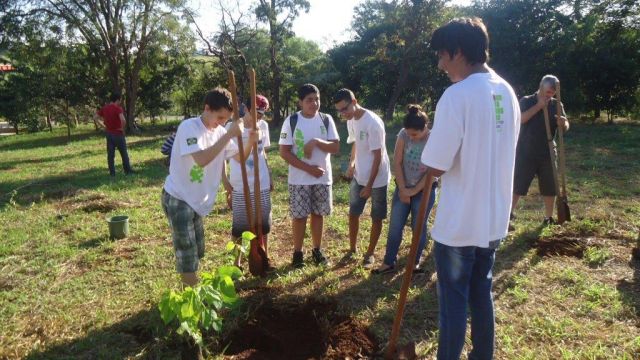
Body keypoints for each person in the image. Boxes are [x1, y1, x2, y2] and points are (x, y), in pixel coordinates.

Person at [421, 18, 520, 359]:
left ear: (458, 52)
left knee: (452, 306)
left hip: (459, 224)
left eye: (442, 56)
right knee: (482, 295)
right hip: (493, 221)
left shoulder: (456, 95)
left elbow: (435, 164)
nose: (440, 64)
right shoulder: (507, 91)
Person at [161, 87, 257, 287]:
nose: (222, 123)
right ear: (207, 108)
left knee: (198, 250)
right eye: (220, 117)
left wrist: (250, 143)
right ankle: (192, 297)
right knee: (187, 251)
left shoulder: (221, 131)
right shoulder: (189, 127)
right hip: (179, 198)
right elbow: (202, 159)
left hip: (197, 200)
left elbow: (239, 157)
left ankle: (193, 287)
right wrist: (229, 133)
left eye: (226, 119)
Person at [279, 84, 340, 268]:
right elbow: (284, 152)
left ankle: (316, 250)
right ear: (300, 102)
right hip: (299, 179)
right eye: (309, 100)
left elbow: (336, 147)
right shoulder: (291, 121)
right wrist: (308, 169)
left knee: (318, 214)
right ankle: (297, 253)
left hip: (322, 178)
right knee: (299, 217)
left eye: (317, 99)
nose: (314, 103)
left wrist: (316, 142)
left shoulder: (326, 119)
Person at [372, 105, 437, 275]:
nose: (411, 137)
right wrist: (402, 188)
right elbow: (398, 162)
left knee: (419, 226)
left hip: (424, 190)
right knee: (395, 225)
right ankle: (388, 262)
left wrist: (413, 190)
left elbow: (433, 171)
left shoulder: (434, 138)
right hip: (403, 187)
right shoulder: (403, 134)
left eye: (414, 135)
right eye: (409, 134)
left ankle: (414, 263)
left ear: (425, 128)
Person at [333, 88, 390, 266]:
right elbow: (356, 143)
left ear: (355, 101)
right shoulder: (351, 120)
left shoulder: (373, 123)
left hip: (377, 178)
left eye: (345, 109)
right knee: (353, 213)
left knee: (376, 216)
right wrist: (352, 164)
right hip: (360, 175)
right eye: (339, 111)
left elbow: (378, 157)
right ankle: (352, 248)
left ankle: (370, 253)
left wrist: (369, 186)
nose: (343, 114)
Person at [222, 95, 274, 270]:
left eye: (262, 113)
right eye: (256, 112)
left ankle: (263, 255)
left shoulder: (263, 126)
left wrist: (270, 176)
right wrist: (225, 182)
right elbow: (237, 157)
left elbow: (263, 153)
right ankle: (236, 263)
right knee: (240, 226)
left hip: (262, 181)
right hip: (241, 183)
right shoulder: (233, 128)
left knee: (264, 223)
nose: (259, 117)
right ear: (246, 108)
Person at [511, 74, 569, 228]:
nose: (550, 95)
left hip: (548, 152)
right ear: (541, 87)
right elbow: (520, 119)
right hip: (526, 151)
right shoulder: (527, 101)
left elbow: (565, 126)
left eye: (552, 93)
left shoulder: (557, 105)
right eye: (547, 92)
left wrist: (563, 123)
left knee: (550, 187)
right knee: (518, 184)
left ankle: (548, 217)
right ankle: (508, 214)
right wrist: (538, 106)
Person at [95, 92, 133, 177]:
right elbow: (123, 120)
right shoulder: (117, 108)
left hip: (109, 134)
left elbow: (95, 117)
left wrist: (103, 126)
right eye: (120, 100)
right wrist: (122, 128)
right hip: (118, 134)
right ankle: (128, 171)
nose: (120, 102)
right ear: (117, 100)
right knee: (124, 153)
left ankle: (112, 173)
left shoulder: (104, 108)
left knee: (110, 155)